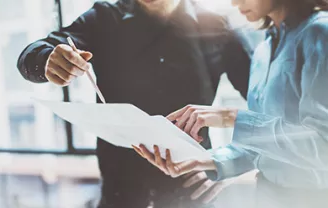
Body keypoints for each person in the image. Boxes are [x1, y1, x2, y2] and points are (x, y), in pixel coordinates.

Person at [17, 0, 252, 207]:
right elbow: (33, 53)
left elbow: (269, 106)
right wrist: (47, 58)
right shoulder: (103, 17)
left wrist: (229, 164)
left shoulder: (217, 27)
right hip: (120, 192)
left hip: (192, 194)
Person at [134, 0, 328, 207]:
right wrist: (204, 160)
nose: (235, 2)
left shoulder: (320, 33)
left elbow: (323, 147)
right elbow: (265, 145)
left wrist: (232, 118)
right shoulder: (264, 47)